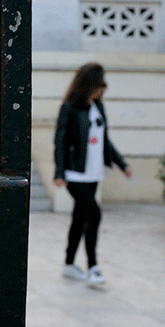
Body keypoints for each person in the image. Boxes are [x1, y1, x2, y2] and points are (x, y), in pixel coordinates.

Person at [53, 62, 132, 287]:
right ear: (88, 85)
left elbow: (105, 140)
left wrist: (122, 164)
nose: (101, 91)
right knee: (94, 215)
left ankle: (68, 264)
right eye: (99, 86)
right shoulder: (68, 107)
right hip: (74, 174)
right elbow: (60, 141)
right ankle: (93, 268)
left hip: (94, 173)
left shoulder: (98, 106)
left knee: (80, 219)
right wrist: (59, 172)